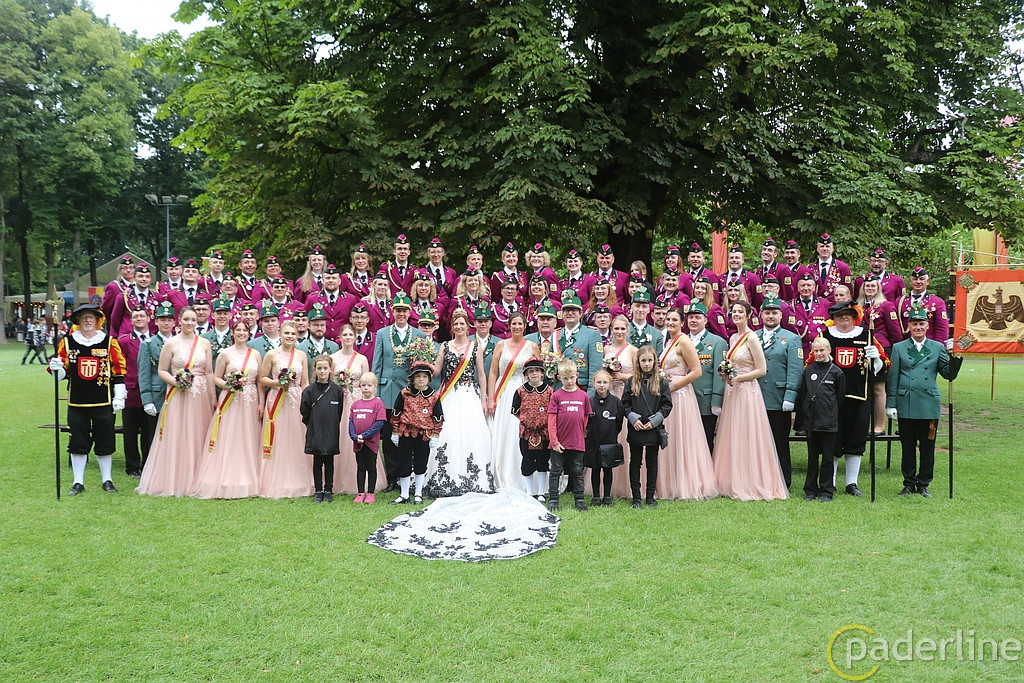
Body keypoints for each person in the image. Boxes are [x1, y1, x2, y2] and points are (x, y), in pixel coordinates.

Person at [712, 301, 789, 501]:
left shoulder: (752, 337)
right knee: (733, 432)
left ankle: (751, 480)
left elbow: (761, 369)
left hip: (747, 390)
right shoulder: (732, 337)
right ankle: (732, 478)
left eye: (740, 312)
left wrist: (739, 378)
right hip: (733, 390)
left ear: (748, 315)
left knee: (747, 432)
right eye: (734, 311)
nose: (736, 314)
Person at [48, 304, 128, 496]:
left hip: (103, 402)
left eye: (91, 317)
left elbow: (118, 371)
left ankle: (107, 480)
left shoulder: (108, 342)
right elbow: (61, 375)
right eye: (84, 317)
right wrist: (56, 367)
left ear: (98, 320)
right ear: (78, 321)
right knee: (78, 442)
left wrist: (119, 396)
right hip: (77, 402)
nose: (88, 320)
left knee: (105, 441)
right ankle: (78, 482)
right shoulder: (67, 343)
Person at [137, 306, 215, 497]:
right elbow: (162, 370)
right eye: (186, 319)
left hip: (201, 394)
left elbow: (209, 372)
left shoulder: (204, 343)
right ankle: (177, 478)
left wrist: (213, 396)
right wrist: (177, 382)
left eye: (193, 320)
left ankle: (199, 476)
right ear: (179, 320)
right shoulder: (171, 343)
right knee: (178, 433)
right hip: (178, 394)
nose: (190, 323)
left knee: (199, 432)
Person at [886, 305, 963, 498]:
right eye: (914, 324)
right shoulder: (899, 348)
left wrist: (956, 356)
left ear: (927, 326)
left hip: (928, 404)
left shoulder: (937, 347)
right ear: (909, 326)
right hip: (906, 403)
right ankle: (908, 483)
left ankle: (923, 483)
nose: (918, 327)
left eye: (921, 324)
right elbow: (893, 378)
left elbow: (948, 374)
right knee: (908, 447)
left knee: (928, 447)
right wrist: (891, 403)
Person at [819, 300, 888, 497]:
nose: (844, 318)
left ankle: (851, 483)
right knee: (832, 440)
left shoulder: (867, 336)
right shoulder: (824, 337)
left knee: (856, 439)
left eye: (848, 314)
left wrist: (876, 359)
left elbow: (884, 366)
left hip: (859, 396)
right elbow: (811, 363)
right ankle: (830, 481)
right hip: (831, 399)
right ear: (833, 318)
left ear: (854, 317)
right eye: (839, 315)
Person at [190, 319, 263, 499]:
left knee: (248, 435)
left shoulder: (255, 354)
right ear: (233, 333)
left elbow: (260, 381)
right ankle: (226, 475)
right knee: (229, 435)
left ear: (249, 333)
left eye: (244, 330)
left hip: (250, 398)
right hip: (230, 399)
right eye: (238, 330)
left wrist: (261, 402)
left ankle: (249, 475)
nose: (241, 333)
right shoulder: (225, 353)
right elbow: (216, 377)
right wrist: (229, 385)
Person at [425, 309, 493, 497]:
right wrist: (424, 361)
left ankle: (470, 476)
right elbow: (436, 371)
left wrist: (484, 399)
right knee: (447, 432)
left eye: (462, 323)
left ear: (467, 326)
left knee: (470, 434)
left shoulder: (475, 347)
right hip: (449, 395)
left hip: (469, 394)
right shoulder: (445, 346)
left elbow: (481, 375)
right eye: (456, 323)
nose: (459, 326)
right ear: (452, 327)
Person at [658, 309, 718, 500]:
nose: (670, 322)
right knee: (669, 436)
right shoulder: (668, 342)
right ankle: (668, 481)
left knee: (680, 436)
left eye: (674, 320)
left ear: (682, 323)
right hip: (667, 393)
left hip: (680, 394)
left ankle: (685, 482)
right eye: (668, 319)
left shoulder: (684, 341)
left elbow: (697, 371)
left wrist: (674, 386)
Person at [371, 292, 426, 492]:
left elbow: (421, 366)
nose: (401, 314)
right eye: (398, 310)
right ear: (392, 312)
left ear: (409, 312)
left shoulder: (419, 335)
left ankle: (407, 475)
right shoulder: (382, 333)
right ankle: (392, 477)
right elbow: (377, 364)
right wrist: (375, 391)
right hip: (387, 390)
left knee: (407, 435)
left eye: (404, 310)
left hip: (408, 391)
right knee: (389, 437)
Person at [257, 320, 312, 499]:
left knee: (297, 436)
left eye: (293, 334)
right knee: (279, 435)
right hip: (277, 398)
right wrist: (278, 383)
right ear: (280, 334)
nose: (290, 336)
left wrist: (307, 400)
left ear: (297, 336)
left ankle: (299, 478)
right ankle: (274, 479)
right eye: (287, 333)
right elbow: (262, 378)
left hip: (296, 398)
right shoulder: (272, 354)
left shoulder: (301, 355)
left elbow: (305, 382)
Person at [487, 310, 539, 492]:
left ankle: (525, 477)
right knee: (506, 431)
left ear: (525, 326)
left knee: (522, 432)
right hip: (504, 392)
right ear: (509, 326)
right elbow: (493, 372)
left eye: (520, 324)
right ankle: (503, 473)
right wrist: (491, 398)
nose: (517, 327)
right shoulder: (500, 345)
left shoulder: (532, 346)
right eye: (514, 323)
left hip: (525, 393)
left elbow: (537, 372)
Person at [756, 295, 803, 488]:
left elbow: (795, 370)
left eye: (774, 313)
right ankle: (759, 478)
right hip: (756, 396)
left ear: (781, 315)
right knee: (757, 442)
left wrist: (790, 396)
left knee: (779, 442)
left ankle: (783, 480)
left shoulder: (791, 339)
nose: (770, 316)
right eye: (767, 312)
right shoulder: (753, 336)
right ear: (761, 315)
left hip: (778, 398)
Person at [622, 345, 673, 508]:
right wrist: (633, 419)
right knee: (635, 462)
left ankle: (650, 497)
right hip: (636, 427)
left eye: (650, 360)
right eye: (643, 360)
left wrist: (654, 421)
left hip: (653, 429)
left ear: (654, 361)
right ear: (638, 362)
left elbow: (667, 405)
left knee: (652, 462)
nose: (646, 364)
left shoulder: (661, 382)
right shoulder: (631, 382)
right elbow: (625, 404)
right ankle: (636, 497)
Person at [797, 337, 846, 502]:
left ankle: (826, 490)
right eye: (816, 351)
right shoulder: (808, 370)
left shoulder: (837, 372)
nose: (818, 354)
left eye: (821, 350)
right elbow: (804, 394)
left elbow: (840, 398)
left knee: (827, 458)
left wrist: (830, 412)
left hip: (828, 422)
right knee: (812, 458)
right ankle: (810, 489)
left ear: (829, 350)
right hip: (811, 422)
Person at [390, 361, 444, 504]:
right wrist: (395, 431)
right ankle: (404, 494)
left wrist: (435, 434)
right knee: (404, 462)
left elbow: (438, 416)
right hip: (406, 432)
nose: (421, 379)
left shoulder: (433, 396)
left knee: (421, 462)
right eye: (418, 376)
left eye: (424, 376)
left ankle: (418, 493)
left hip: (424, 435)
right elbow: (396, 412)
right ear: (412, 378)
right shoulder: (405, 393)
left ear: (429, 379)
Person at [329, 324, 372, 494]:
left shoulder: (362, 359)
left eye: (350, 335)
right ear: (339, 337)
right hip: (338, 399)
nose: (347, 338)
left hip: (356, 399)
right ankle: (337, 477)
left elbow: (366, 381)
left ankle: (360, 478)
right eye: (345, 335)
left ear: (355, 337)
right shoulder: (333, 358)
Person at [546, 358, 593, 512]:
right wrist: (554, 441)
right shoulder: (556, 396)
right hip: (559, 443)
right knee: (555, 471)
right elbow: (551, 420)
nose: (569, 381)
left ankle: (579, 499)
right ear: (559, 378)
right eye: (565, 378)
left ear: (577, 375)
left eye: (572, 377)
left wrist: (581, 433)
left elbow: (585, 417)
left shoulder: (583, 396)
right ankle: (553, 499)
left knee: (577, 471)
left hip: (577, 441)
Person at [300, 354, 346, 503]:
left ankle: (329, 490)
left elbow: (339, 412)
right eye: (319, 368)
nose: (322, 371)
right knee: (317, 460)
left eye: (325, 368)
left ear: (331, 369)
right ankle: (318, 490)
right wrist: (313, 424)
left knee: (329, 460)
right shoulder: (309, 391)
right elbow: (304, 411)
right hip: (315, 430)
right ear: (314, 369)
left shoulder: (337, 391)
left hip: (331, 430)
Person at [685, 302, 727, 453]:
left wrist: (716, 401)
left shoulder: (717, 342)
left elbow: (719, 373)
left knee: (705, 441)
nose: (693, 320)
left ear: (705, 320)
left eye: (697, 317)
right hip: (684, 400)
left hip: (705, 401)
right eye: (691, 317)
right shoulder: (681, 340)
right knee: (687, 441)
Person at [511, 357, 554, 502]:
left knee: (543, 461)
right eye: (531, 371)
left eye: (537, 371)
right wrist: (527, 422)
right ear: (526, 375)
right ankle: (529, 492)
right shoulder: (520, 391)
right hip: (526, 433)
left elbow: (553, 411)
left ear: (542, 373)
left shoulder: (549, 391)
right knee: (527, 461)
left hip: (544, 433)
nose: (534, 374)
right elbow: (515, 410)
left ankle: (541, 492)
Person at [117, 305, 152, 478]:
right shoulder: (124, 341)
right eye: (135, 317)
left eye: (142, 316)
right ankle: (132, 466)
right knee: (130, 432)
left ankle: (147, 464)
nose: (139, 319)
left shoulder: (154, 339)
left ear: (148, 319)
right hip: (130, 392)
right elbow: (119, 365)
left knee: (148, 432)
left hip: (150, 393)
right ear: (131, 321)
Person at [585, 369, 625, 507]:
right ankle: (596, 496)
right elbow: (586, 422)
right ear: (594, 384)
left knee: (608, 469)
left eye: (605, 382)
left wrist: (612, 434)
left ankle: (607, 496)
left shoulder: (616, 402)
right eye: (599, 382)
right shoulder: (589, 402)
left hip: (609, 441)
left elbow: (619, 422)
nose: (602, 385)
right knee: (595, 469)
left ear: (610, 384)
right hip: (593, 441)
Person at [349, 373, 387, 503]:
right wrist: (354, 436)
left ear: (375, 387)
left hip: (371, 443)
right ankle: (360, 493)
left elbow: (379, 423)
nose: (366, 388)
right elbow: (351, 422)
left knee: (371, 467)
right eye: (363, 385)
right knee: (360, 467)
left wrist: (364, 435)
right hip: (358, 442)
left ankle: (370, 493)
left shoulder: (378, 403)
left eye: (369, 385)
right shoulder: (356, 404)